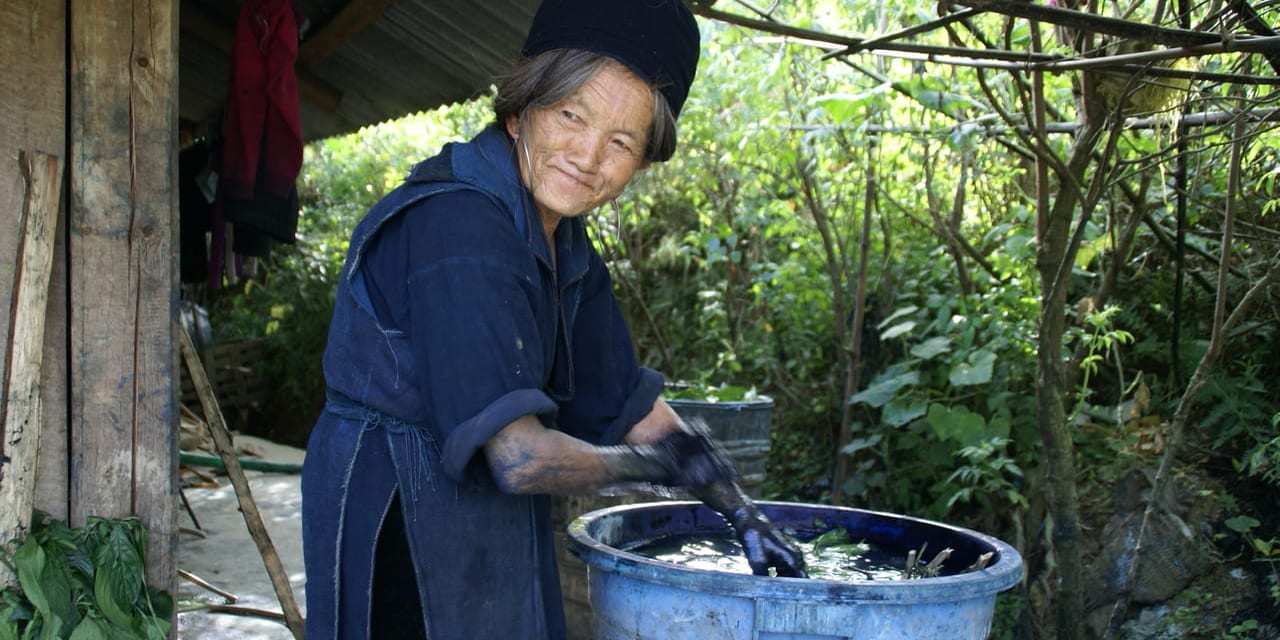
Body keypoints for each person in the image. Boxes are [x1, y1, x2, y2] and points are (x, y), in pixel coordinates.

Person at [299, 1, 807, 638]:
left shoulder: (564, 246)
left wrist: (742, 512)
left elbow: (630, 407)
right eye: (572, 114)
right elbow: (520, 460)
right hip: (398, 506)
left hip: (483, 511)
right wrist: (665, 467)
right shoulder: (458, 227)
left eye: (621, 142)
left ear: (642, 162)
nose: (588, 156)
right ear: (519, 111)